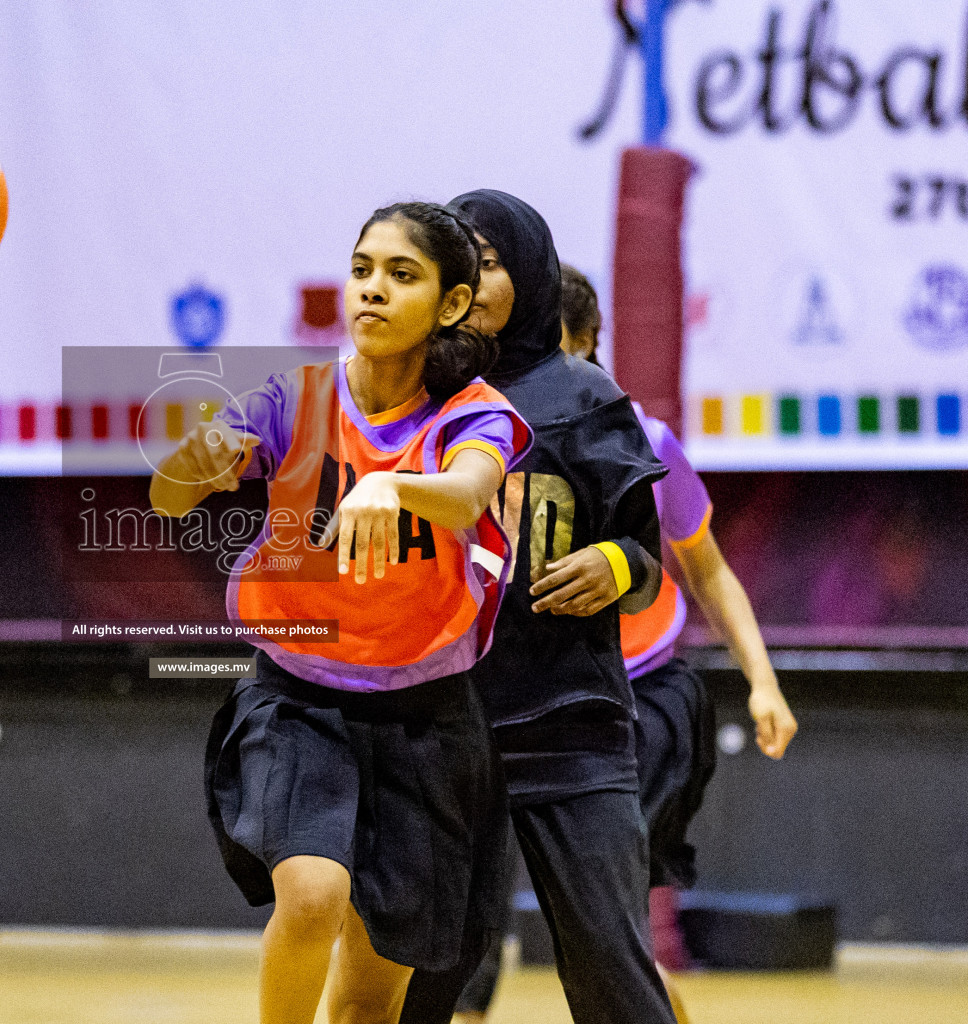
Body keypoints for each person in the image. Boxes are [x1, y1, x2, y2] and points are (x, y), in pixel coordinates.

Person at [153, 202, 531, 1024]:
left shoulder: (475, 413)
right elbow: (168, 493)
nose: (373, 291)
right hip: (298, 694)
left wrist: (393, 484)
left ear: (453, 304)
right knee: (314, 894)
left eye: (402, 276)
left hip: (424, 716)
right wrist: (193, 463)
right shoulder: (295, 398)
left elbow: (468, 496)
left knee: (369, 1000)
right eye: (363, 270)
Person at [399, 191, 676, 1024]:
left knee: (612, 975)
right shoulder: (403, 397)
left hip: (571, 731)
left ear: (528, 271)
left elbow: (649, 565)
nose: (470, 280)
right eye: (454, 261)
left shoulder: (585, 398)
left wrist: (613, 561)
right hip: (434, 737)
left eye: (488, 260)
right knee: (414, 981)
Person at [559, 263, 799, 973]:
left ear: (587, 343)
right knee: (459, 922)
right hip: (523, 698)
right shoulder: (481, 441)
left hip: (638, 699)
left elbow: (710, 570)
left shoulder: (648, 443)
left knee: (609, 927)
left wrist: (763, 681)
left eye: (552, 346)